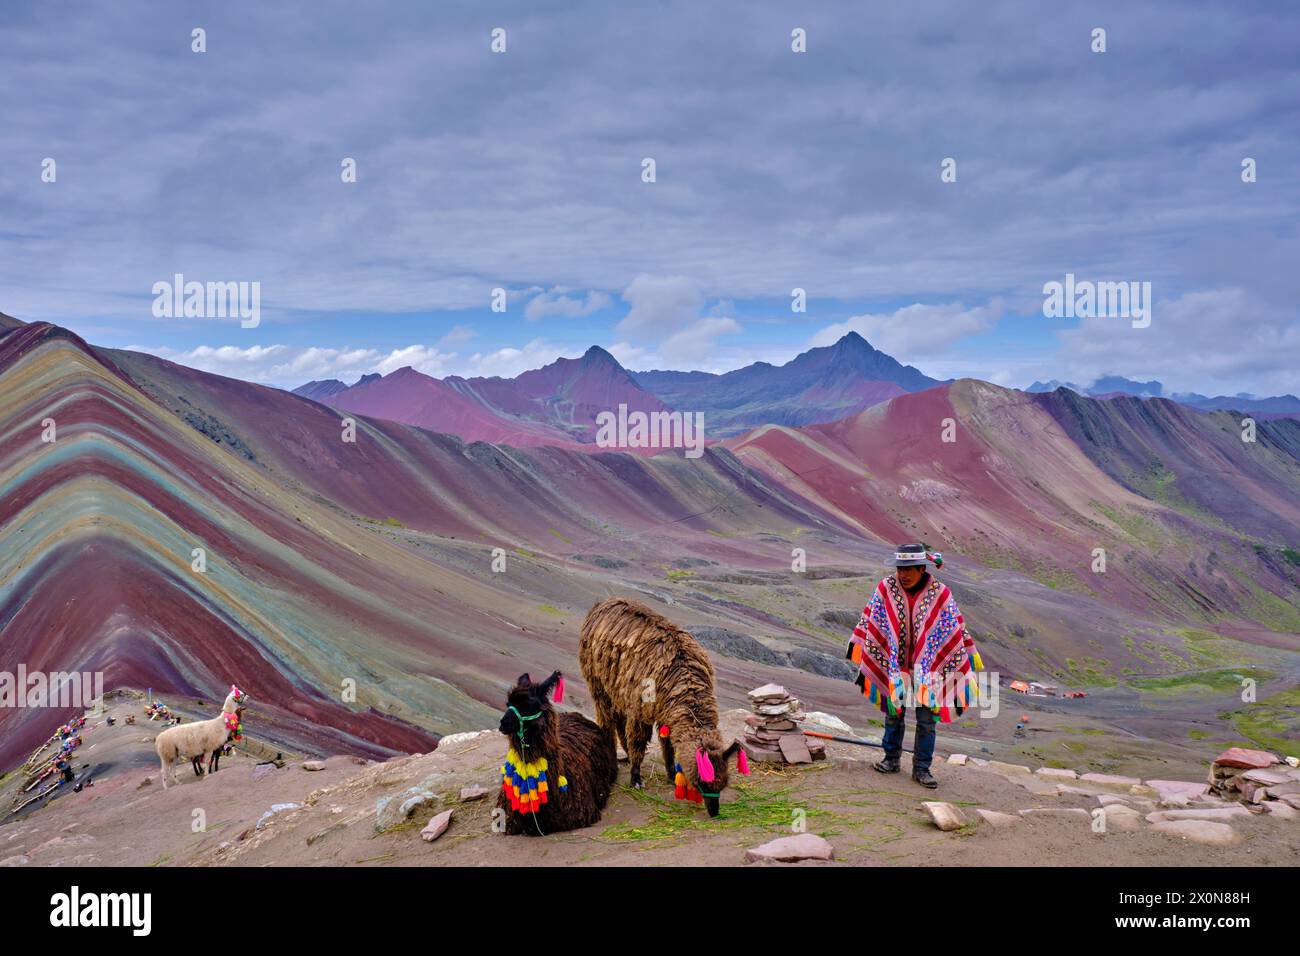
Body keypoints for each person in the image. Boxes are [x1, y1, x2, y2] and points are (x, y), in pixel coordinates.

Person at [846, 543, 983, 789]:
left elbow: (953, 631)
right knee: (893, 715)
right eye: (900, 569)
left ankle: (922, 769)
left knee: (926, 720)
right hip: (895, 666)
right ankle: (891, 760)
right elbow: (872, 621)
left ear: (922, 568)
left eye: (909, 569)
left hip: (929, 670)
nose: (903, 575)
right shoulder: (885, 589)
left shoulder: (940, 594)